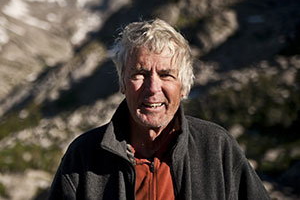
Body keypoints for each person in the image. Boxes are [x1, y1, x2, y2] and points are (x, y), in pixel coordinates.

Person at [48, 19, 270, 199]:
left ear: (183, 87)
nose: (152, 88)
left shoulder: (217, 147)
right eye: (140, 74)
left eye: (166, 75)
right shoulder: (84, 155)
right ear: (122, 83)